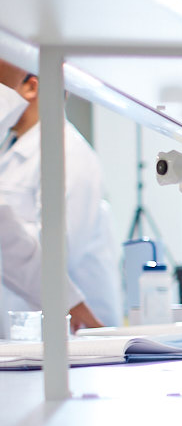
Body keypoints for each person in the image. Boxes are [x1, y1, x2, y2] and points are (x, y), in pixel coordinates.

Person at [0, 59, 117, 328]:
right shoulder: (10, 147)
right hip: (29, 326)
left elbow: (57, 253)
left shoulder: (67, 152)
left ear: (31, 87)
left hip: (72, 333)